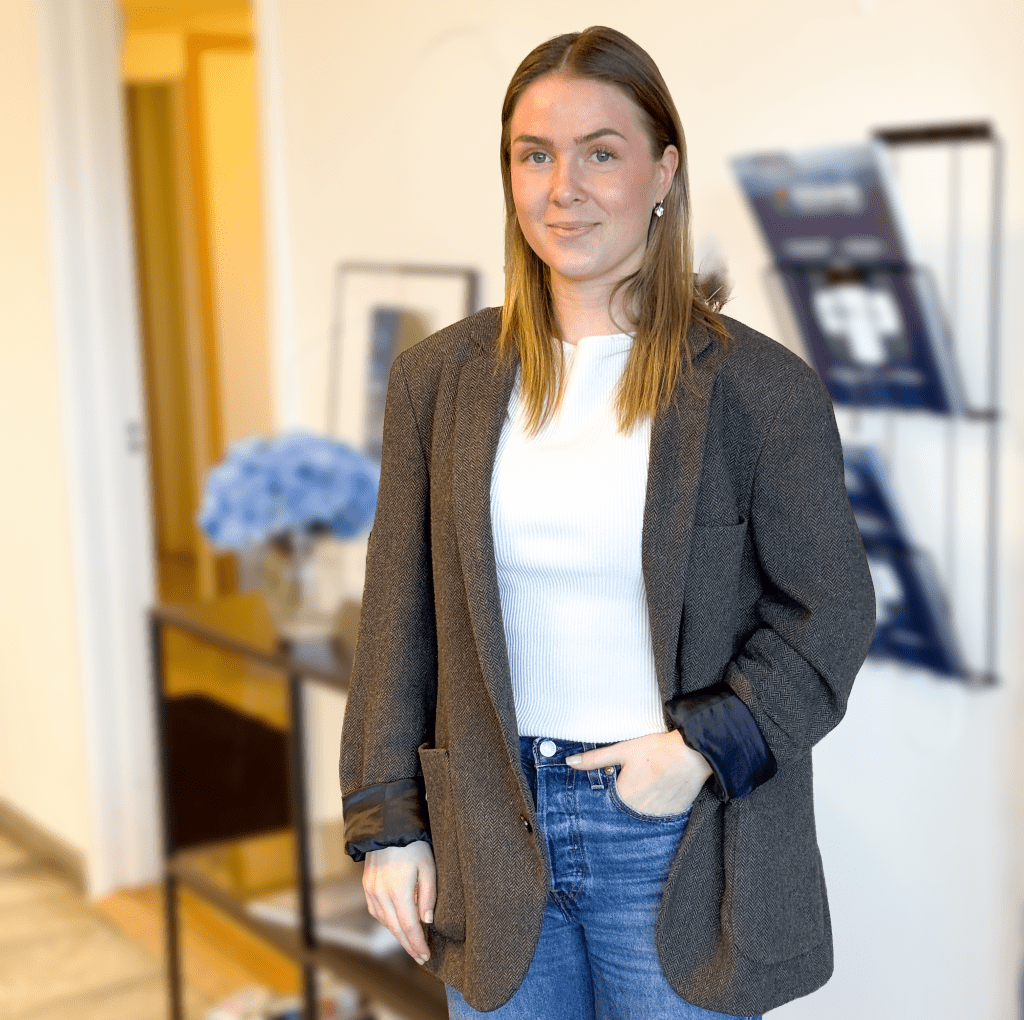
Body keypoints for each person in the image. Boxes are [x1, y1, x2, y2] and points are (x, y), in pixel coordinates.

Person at [339, 25, 875, 1020]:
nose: (562, 189)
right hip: (489, 834)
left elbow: (830, 612)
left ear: (662, 170)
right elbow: (396, 618)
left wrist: (700, 749)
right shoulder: (437, 381)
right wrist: (388, 827)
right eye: (534, 155)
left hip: (677, 839)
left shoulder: (760, 390)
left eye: (599, 153)